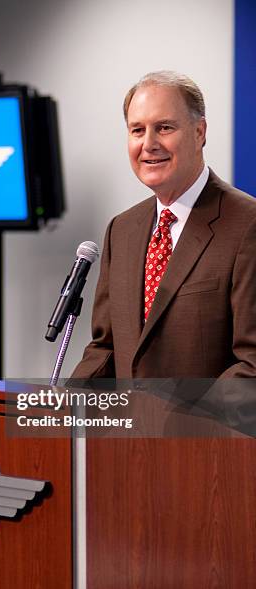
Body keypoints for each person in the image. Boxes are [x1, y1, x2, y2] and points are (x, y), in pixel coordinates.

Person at [72, 70, 256, 380]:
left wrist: (173, 425)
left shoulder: (246, 224)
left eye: (164, 127)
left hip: (207, 428)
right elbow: (106, 349)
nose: (149, 144)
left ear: (200, 132)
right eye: (137, 130)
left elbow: (252, 365)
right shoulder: (122, 230)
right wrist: (62, 411)